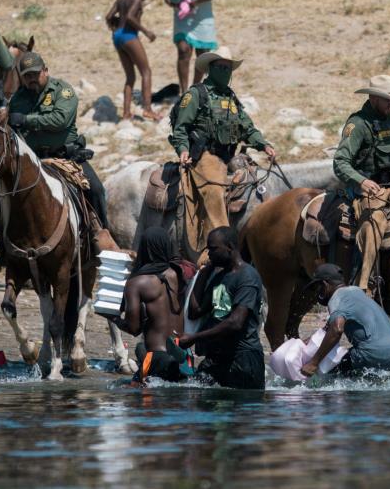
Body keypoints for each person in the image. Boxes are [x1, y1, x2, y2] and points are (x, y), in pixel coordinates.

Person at [169, 47, 276, 259]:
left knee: (257, 184)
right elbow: (181, 127)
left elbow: (247, 127)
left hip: (230, 155)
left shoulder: (231, 98)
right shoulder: (196, 94)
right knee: (214, 191)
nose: (226, 72)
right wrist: (182, 149)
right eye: (221, 67)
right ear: (211, 68)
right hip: (205, 155)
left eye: (229, 68)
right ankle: (216, 251)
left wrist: (263, 145)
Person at [7, 51, 115, 253]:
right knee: (5, 193)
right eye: (27, 75)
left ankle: (100, 237)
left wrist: (26, 120)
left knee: (97, 190)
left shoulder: (62, 91)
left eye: (35, 74)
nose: (32, 79)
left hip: (65, 156)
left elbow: (61, 120)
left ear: (45, 71)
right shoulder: (18, 99)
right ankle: (0, 241)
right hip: (34, 159)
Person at [333, 75, 390, 292]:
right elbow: (340, 162)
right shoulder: (357, 124)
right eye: (386, 99)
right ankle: (365, 285)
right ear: (373, 98)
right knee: (374, 224)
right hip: (368, 191)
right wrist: (361, 181)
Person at [177, 227, 265, 390]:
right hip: (217, 358)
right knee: (196, 398)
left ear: (230, 247)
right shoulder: (220, 277)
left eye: (213, 249)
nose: (209, 254)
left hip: (243, 359)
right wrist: (204, 273)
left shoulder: (247, 276)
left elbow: (236, 322)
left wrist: (194, 337)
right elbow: (195, 311)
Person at [112, 227, 192, 384]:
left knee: (133, 397)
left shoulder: (137, 283)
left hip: (156, 357)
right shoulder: (180, 275)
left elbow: (134, 329)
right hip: (184, 357)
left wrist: (114, 318)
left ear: (144, 249)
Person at [301, 264, 390, 377]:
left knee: (328, 375)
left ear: (325, 285)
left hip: (373, 353)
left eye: (317, 288)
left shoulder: (336, 298)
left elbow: (336, 329)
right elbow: (327, 330)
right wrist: (301, 344)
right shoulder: (357, 292)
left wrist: (313, 363)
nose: (317, 293)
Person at [162, 0, 221, 92]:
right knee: (183, 51)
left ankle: (195, 88)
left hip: (203, 18)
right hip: (183, 18)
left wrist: (196, 1)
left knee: (202, 55)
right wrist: (175, 4)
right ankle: (183, 90)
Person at [106, 0, 160, 121]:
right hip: (129, 36)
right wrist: (146, 31)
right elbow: (130, 16)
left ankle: (126, 113)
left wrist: (114, 28)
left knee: (130, 77)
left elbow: (109, 16)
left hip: (117, 36)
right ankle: (148, 110)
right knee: (146, 71)